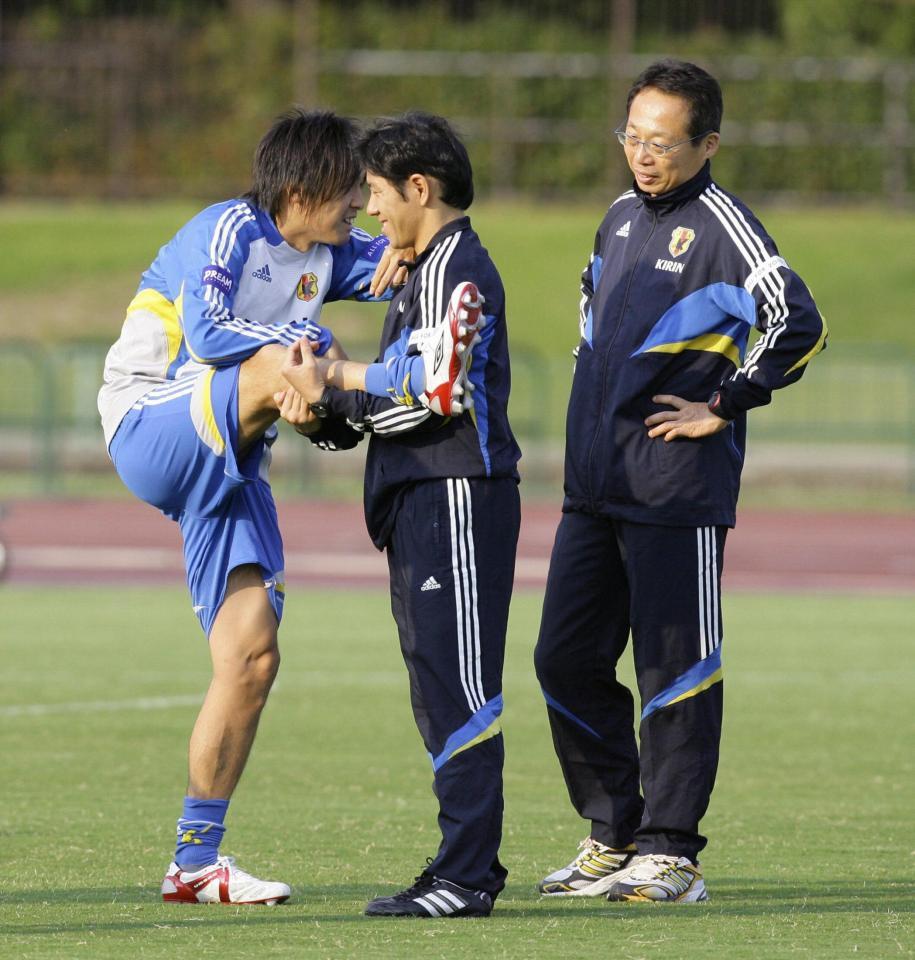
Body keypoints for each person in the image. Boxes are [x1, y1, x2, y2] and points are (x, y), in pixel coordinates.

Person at [96, 107, 433, 906]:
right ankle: (370, 395)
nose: (361, 204)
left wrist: (415, 254)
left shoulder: (330, 249)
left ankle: (194, 861)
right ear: (299, 185)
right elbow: (211, 335)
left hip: (233, 453)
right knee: (286, 363)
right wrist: (324, 368)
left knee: (251, 658)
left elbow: (411, 251)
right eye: (350, 189)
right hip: (153, 419)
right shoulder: (226, 231)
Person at [533, 60, 827, 903]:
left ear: (707, 144)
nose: (643, 155)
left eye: (662, 142)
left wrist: (724, 403)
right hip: (595, 487)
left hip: (674, 488)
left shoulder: (729, 228)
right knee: (562, 659)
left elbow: (797, 323)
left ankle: (670, 852)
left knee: (676, 667)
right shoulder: (618, 216)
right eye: (632, 136)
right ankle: (613, 833)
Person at [280, 112, 522, 919]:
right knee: (437, 680)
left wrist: (339, 379)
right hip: (421, 494)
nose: (372, 211)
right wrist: (331, 410)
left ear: (421, 188)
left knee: (457, 683)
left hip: (452, 493)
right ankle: (460, 864)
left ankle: (466, 873)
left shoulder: (458, 268)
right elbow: (396, 397)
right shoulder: (426, 263)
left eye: (378, 194)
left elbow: (437, 389)